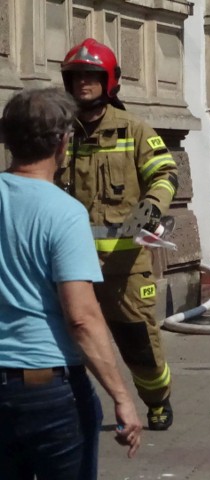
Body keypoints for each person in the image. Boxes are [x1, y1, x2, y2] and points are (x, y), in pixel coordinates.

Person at [0, 87, 142, 479]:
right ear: (63, 142)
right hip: (46, 390)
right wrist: (121, 396)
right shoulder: (64, 213)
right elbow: (81, 318)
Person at [58, 38, 178, 431]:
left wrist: (151, 210)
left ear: (109, 81)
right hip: (72, 266)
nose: (83, 85)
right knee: (70, 342)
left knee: (138, 344)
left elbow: (164, 173)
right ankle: (75, 409)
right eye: (76, 78)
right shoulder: (60, 133)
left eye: (92, 77)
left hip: (125, 266)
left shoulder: (134, 129)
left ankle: (157, 400)